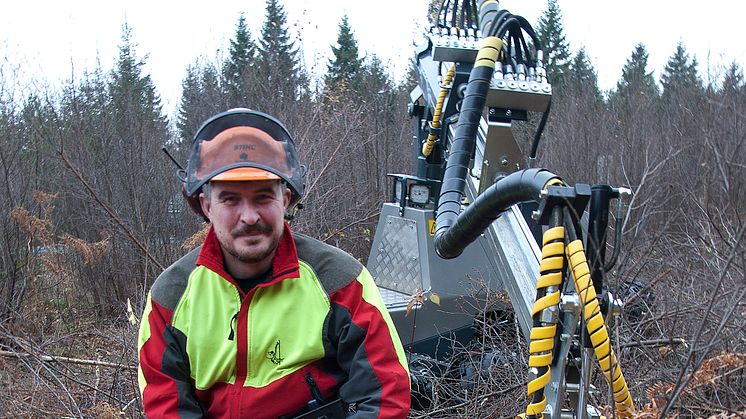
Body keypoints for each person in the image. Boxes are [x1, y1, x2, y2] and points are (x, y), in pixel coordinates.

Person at [137, 109, 411, 418]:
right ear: (206, 205)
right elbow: (167, 409)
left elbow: (385, 396)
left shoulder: (341, 282)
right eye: (230, 199)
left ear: (286, 199)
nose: (250, 216)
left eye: (263, 196)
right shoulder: (171, 297)